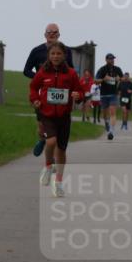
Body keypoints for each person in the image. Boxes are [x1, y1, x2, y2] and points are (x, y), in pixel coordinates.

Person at [29, 41, 83, 197]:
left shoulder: (71, 73)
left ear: (64, 55)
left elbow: (79, 90)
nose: (55, 56)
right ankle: (47, 166)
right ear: (49, 56)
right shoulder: (42, 72)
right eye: (53, 53)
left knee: (61, 150)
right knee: (51, 141)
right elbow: (33, 87)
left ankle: (58, 182)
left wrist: (77, 96)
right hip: (47, 114)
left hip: (64, 116)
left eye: (59, 53)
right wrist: (35, 100)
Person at [24, 24, 74, 156]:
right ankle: (42, 139)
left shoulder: (66, 50)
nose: (52, 34)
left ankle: (52, 152)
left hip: (61, 93)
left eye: (54, 32)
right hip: (43, 92)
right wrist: (41, 78)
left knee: (58, 129)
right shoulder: (36, 51)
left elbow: (72, 70)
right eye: (49, 32)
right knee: (42, 125)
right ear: (44, 34)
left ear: (59, 34)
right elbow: (26, 70)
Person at [94, 53, 124, 140]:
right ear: (106, 60)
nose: (112, 60)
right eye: (110, 59)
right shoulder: (102, 69)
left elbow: (123, 78)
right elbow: (96, 81)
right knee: (105, 114)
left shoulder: (117, 69)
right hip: (104, 94)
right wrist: (103, 79)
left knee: (112, 112)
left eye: (113, 59)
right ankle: (107, 123)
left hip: (113, 94)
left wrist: (120, 79)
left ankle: (111, 131)